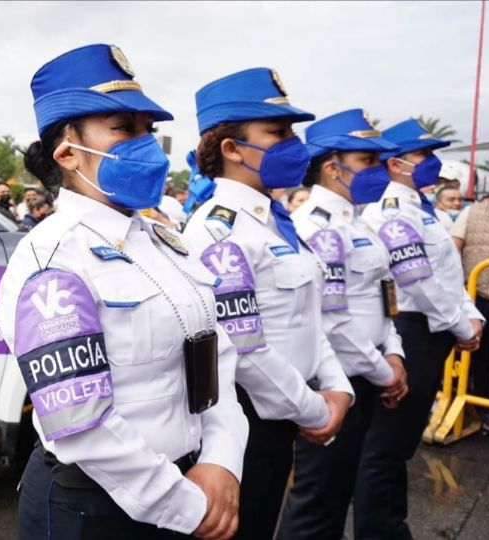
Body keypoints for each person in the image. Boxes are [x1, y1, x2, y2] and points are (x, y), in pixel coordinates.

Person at [0, 43, 248, 540]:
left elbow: (216, 357)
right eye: (123, 128)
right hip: (97, 512)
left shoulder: (162, 241)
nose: (147, 145)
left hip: (193, 484)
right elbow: (82, 422)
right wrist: (184, 506)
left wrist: (222, 461)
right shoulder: (51, 258)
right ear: (67, 152)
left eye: (147, 130)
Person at [179, 67, 354, 540]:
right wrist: (315, 410)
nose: (293, 144)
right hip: (246, 425)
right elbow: (247, 350)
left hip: (285, 415)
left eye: (292, 132)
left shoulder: (277, 222)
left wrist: (337, 388)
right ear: (232, 149)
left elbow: (310, 317)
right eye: (277, 132)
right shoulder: (219, 231)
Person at [278, 109, 410, 539]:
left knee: (339, 494)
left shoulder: (360, 223)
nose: (378, 170)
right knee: (318, 503)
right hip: (339, 381)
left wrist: (393, 351)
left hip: (369, 372)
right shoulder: (318, 227)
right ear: (333, 168)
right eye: (367, 161)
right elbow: (332, 320)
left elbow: (380, 295)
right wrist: (383, 370)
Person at [356, 118, 485, 539]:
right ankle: (379, 530)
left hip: (434, 328)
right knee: (385, 446)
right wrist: (459, 325)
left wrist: (471, 316)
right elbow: (418, 281)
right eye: (422, 155)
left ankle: (394, 526)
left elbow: (448, 275)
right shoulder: (393, 212)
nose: (432, 162)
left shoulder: (423, 210)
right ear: (395, 164)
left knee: (401, 443)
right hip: (415, 330)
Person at [451, 165, 489, 433]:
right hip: (473, 297)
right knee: (475, 353)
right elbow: (453, 247)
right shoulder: (472, 212)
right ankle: (472, 405)